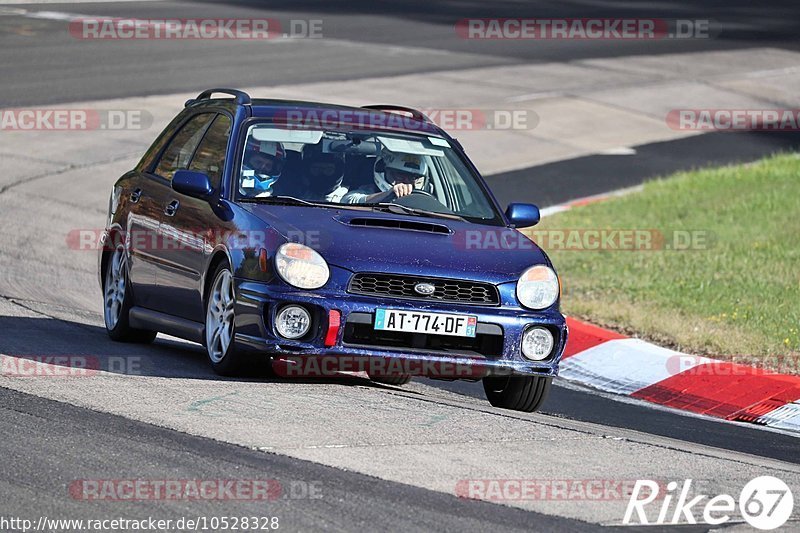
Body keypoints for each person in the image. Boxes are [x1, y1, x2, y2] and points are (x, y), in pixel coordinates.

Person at [342, 148, 429, 204]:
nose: (406, 182)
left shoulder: (426, 200)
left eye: (413, 178)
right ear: (381, 169)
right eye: (400, 175)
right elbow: (347, 201)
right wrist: (388, 194)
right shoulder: (370, 190)